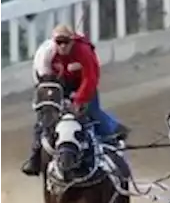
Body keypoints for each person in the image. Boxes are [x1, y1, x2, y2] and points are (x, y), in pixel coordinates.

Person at [22, 24, 127, 176]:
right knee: (44, 120)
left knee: (91, 112)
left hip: (83, 85)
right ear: (54, 42)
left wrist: (78, 100)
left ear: (73, 41)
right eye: (59, 42)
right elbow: (43, 80)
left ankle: (113, 137)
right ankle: (35, 156)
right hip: (58, 85)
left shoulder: (83, 52)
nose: (63, 46)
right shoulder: (46, 54)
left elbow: (90, 78)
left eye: (66, 42)